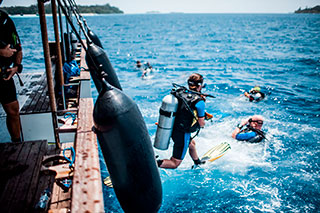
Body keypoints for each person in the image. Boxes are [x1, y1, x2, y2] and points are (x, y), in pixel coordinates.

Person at [157, 73, 210, 169]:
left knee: (191, 144)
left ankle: (197, 162)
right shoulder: (199, 102)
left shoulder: (180, 92)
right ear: (199, 86)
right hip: (182, 133)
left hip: (171, 126)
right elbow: (201, 124)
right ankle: (152, 163)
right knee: (174, 163)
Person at [0, 1, 23, 142]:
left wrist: (16, 67)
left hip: (4, 76)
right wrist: (1, 52)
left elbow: (18, 48)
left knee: (13, 111)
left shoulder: (6, 20)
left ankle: (16, 144)